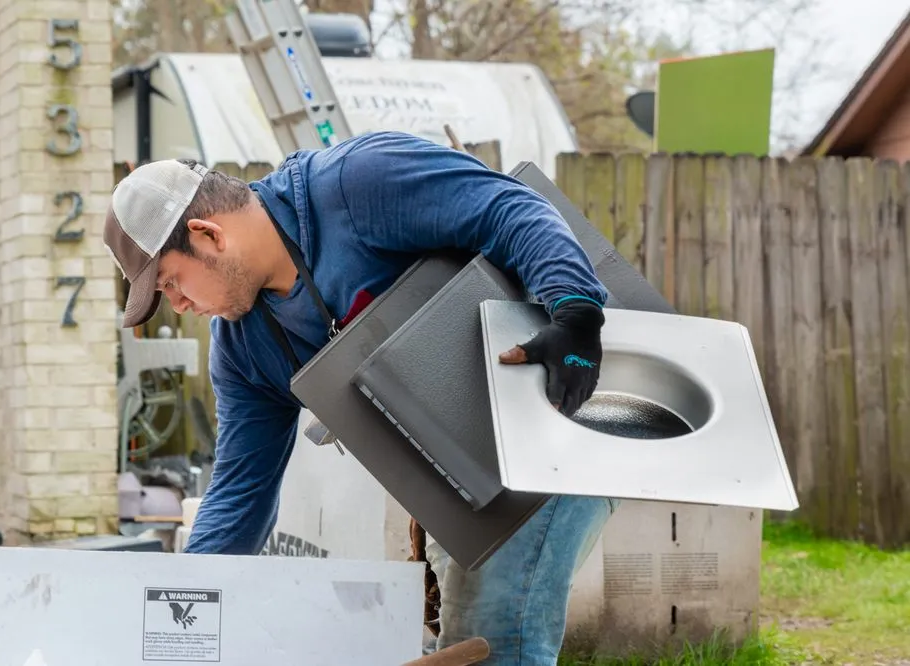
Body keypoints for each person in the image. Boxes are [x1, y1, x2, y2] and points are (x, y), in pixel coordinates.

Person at [104, 130, 619, 665]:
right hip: (469, 482)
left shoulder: (359, 183)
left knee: (495, 638)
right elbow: (239, 493)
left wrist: (577, 314)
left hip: (554, 418)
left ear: (207, 234)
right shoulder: (242, 348)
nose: (179, 307)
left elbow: (511, 210)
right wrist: (177, 623)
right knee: (463, 636)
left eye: (170, 284)